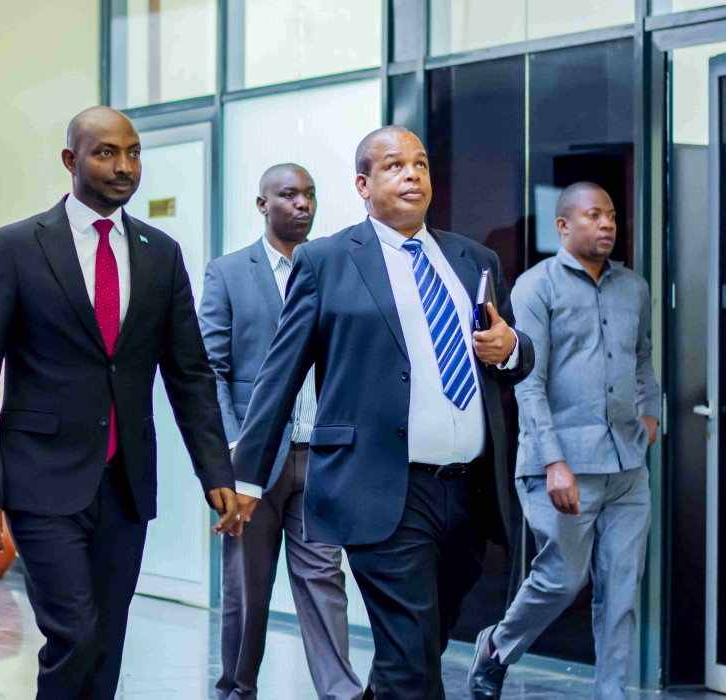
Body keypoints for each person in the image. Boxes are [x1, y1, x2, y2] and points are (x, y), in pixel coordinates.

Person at [230, 125, 535, 700]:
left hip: (467, 491)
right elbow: (280, 374)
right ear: (363, 185)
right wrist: (248, 475)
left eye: (420, 163)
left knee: (421, 644)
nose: (412, 174)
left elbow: (512, 356)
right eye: (394, 165)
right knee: (411, 660)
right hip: (381, 485)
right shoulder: (327, 261)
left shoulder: (474, 259)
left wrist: (511, 346)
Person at [0, 106, 239, 700]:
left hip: (125, 483)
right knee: (75, 634)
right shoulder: (15, 248)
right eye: (106, 152)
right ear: (71, 161)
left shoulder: (160, 253)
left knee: (107, 639)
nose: (123, 166)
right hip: (40, 479)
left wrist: (215, 469)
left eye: (133, 153)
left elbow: (188, 373)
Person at [468, 182, 659, 700]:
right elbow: (527, 381)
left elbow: (643, 359)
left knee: (621, 589)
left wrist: (650, 413)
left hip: (626, 468)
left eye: (611, 216)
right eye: (593, 215)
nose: (606, 225)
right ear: (562, 226)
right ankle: (497, 647)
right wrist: (554, 462)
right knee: (561, 580)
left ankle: (611, 692)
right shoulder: (537, 288)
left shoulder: (633, 288)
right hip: (561, 466)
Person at [200, 163, 362, 700]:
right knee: (247, 591)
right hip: (253, 465)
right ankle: (236, 690)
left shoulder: (336, 268)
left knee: (323, 580)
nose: (302, 204)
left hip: (319, 458)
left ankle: (339, 692)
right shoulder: (228, 272)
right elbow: (212, 369)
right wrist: (232, 450)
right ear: (262, 204)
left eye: (309, 195)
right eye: (288, 195)